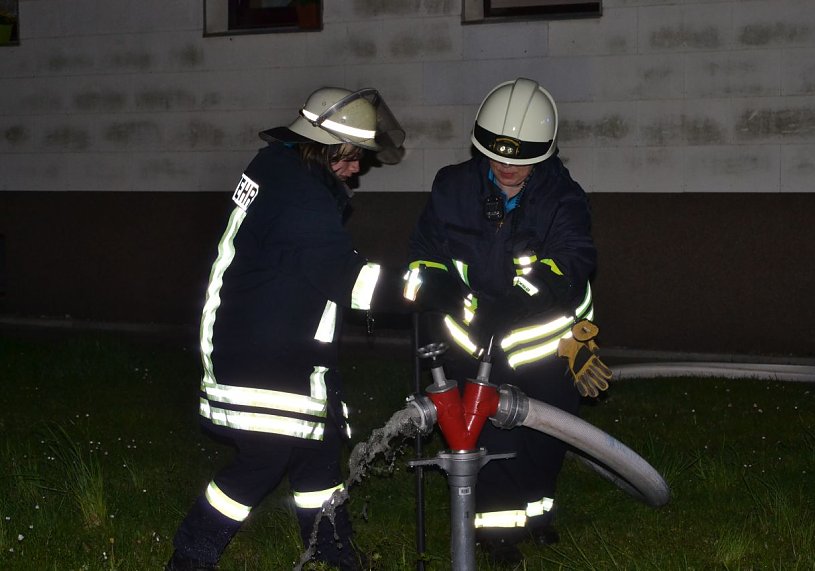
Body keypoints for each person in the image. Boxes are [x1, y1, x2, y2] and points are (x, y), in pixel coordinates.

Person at [165, 86, 405, 571]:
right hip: (264, 352)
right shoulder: (300, 197)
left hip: (267, 338)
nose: (357, 168)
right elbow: (350, 281)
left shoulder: (278, 167)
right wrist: (422, 287)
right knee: (264, 460)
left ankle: (334, 555)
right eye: (353, 156)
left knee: (317, 454)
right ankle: (190, 558)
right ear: (325, 146)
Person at [405, 77, 611, 565]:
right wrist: (438, 288)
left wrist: (518, 301)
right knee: (492, 435)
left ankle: (539, 513)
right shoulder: (451, 187)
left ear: (544, 154)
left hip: (547, 345)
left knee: (545, 437)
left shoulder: (563, 198)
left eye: (521, 160)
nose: (508, 168)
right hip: (474, 343)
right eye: (499, 157)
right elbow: (424, 254)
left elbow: (572, 260)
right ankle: (497, 534)